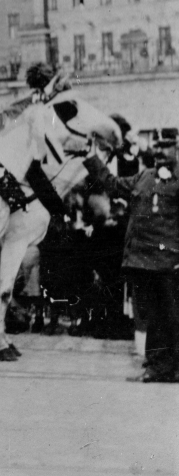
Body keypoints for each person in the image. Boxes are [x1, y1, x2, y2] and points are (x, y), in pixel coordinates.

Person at [84, 132, 179, 382]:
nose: (160, 152)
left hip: (170, 262)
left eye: (167, 147)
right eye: (157, 147)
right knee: (151, 316)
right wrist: (91, 157)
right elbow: (112, 183)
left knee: (170, 316)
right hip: (141, 261)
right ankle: (157, 367)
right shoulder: (144, 176)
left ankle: (167, 368)